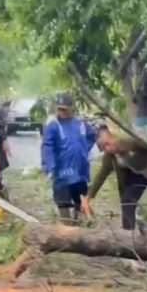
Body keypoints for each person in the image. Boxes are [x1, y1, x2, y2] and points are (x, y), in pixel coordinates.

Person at [84, 125, 147, 233]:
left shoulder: (132, 140)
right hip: (134, 176)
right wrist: (88, 197)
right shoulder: (110, 156)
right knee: (127, 201)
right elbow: (101, 175)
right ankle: (128, 233)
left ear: (114, 137)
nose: (108, 149)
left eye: (108, 144)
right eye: (104, 148)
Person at [41, 92, 96, 225]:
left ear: (72, 108)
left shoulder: (81, 124)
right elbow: (47, 146)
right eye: (59, 109)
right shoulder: (53, 125)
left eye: (65, 109)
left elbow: (92, 135)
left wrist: (85, 149)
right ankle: (66, 226)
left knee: (81, 199)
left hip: (80, 171)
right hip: (62, 172)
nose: (62, 113)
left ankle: (81, 222)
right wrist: (49, 165)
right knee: (63, 201)